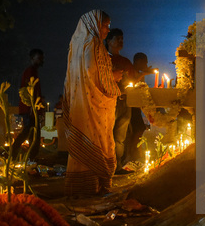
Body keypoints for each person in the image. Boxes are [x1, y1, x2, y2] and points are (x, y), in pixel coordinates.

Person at [63, 10, 121, 196]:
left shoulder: (76, 43)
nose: (107, 29)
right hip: (94, 106)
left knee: (84, 141)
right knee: (99, 142)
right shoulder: (93, 44)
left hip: (80, 106)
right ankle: (96, 185)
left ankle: (82, 187)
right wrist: (113, 77)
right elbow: (91, 73)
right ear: (95, 24)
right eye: (106, 25)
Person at [106, 28, 136, 173]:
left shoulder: (125, 61)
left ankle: (117, 166)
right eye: (118, 39)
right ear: (108, 41)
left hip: (125, 102)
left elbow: (133, 80)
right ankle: (107, 165)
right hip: (110, 101)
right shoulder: (103, 60)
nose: (121, 41)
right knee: (108, 134)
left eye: (122, 39)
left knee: (120, 136)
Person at [11, 48, 45, 161]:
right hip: (30, 108)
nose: (40, 60)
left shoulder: (34, 71)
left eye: (41, 58)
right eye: (38, 58)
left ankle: (30, 158)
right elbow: (28, 90)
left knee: (32, 134)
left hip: (33, 108)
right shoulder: (29, 71)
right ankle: (15, 153)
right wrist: (31, 106)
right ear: (32, 58)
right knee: (30, 133)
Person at [126, 52, 155, 162]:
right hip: (130, 106)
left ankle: (135, 153)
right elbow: (132, 85)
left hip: (136, 106)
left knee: (139, 129)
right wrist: (143, 74)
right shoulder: (131, 71)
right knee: (137, 129)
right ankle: (133, 153)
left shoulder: (139, 73)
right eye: (145, 62)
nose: (146, 64)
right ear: (138, 61)